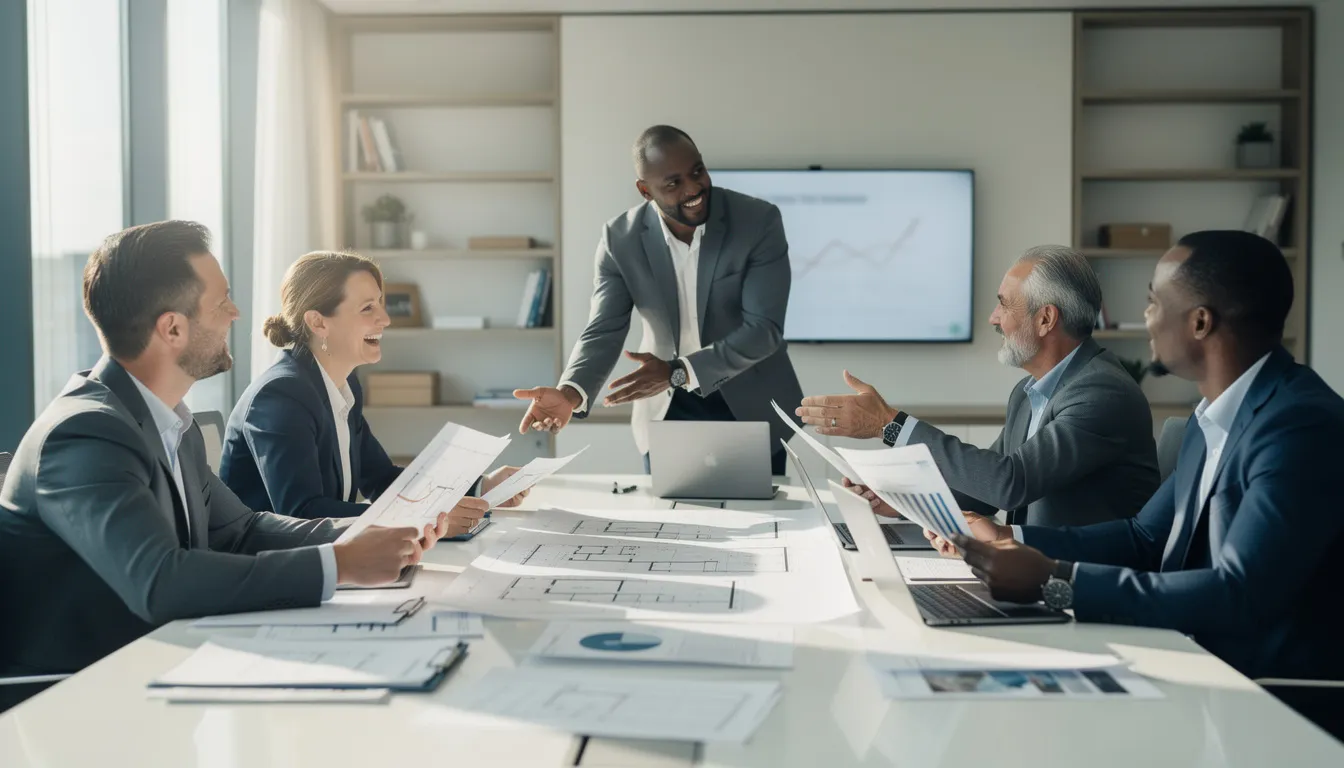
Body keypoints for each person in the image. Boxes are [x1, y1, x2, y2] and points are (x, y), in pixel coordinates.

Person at [0, 222, 456, 710]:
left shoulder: (171, 422)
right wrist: (341, 563)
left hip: (166, 664)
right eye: (221, 304)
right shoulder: (85, 433)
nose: (236, 314)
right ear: (172, 328)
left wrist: (380, 530)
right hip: (77, 698)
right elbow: (160, 580)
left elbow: (242, 530)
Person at [931, 230, 1344, 687]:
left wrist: (1057, 579)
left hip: (1262, 692)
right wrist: (1010, 537)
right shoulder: (1213, 416)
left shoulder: (1298, 426)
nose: (1145, 318)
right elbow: (1146, 538)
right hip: (1187, 655)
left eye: (1154, 303)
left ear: (1200, 323)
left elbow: (1239, 593)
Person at [512, 125, 804, 475]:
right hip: (666, 404)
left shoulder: (757, 221)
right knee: (670, 523)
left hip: (749, 398)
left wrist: (680, 372)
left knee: (769, 525)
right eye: (673, 183)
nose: (693, 188)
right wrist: (571, 392)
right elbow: (604, 327)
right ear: (645, 191)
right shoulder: (620, 238)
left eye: (697, 171)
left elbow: (764, 330)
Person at [798, 245, 1158, 527]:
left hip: (1082, 588)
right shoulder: (1028, 392)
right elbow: (987, 492)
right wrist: (900, 501)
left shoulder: (1100, 393)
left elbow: (1010, 483)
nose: (994, 318)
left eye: (1004, 305)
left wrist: (889, 424)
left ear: (1046, 319)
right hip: (1032, 574)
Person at [220, 250, 527, 519]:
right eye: (368, 308)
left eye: (380, 304)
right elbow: (303, 512)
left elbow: (381, 479)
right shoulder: (281, 396)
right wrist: (423, 517)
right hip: (278, 573)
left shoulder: (343, 385)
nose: (385, 319)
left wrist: (481, 486)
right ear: (318, 322)